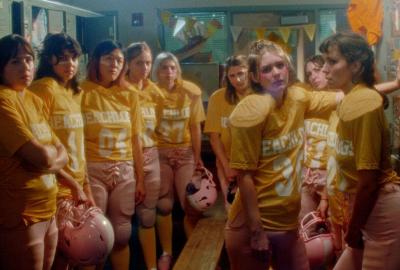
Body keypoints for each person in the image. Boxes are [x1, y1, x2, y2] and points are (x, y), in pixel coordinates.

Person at [225, 39, 342, 270]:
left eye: (280, 65)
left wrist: (395, 84)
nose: (276, 73)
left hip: (288, 224)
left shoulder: (298, 98)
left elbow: (343, 98)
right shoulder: (250, 110)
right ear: (256, 77)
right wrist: (257, 232)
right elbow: (244, 176)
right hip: (252, 227)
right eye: (266, 69)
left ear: (287, 67)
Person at [320, 32, 400, 270]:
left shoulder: (363, 104)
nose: (325, 69)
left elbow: (368, 181)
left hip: (382, 210)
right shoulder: (349, 100)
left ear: (355, 66)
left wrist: (354, 230)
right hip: (366, 209)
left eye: (332, 62)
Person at [0, 34, 68, 270]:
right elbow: (43, 156)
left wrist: (51, 159)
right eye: (15, 62)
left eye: (29, 60)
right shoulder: (3, 101)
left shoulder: (32, 99)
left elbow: (61, 152)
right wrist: (51, 158)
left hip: (49, 208)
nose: (25, 67)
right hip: (22, 214)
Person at [29, 32, 95, 269]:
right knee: (59, 256)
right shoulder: (42, 89)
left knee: (77, 254)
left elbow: (78, 144)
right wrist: (73, 184)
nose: (70, 64)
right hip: (56, 189)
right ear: (49, 60)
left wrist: (84, 183)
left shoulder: (73, 92)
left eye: (74, 58)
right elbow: (40, 148)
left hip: (76, 186)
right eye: (63, 58)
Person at [80, 40, 145, 270]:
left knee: (122, 233)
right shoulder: (80, 92)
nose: (114, 64)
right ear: (96, 60)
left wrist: (141, 177)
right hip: (93, 170)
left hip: (125, 170)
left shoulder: (130, 94)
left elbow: (137, 138)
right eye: (108, 58)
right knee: (94, 237)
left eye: (119, 60)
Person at [152, 52, 206, 267]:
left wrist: (198, 156)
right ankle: (166, 252)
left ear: (178, 70)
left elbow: (195, 127)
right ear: (156, 70)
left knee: (190, 204)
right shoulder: (150, 92)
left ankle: (194, 249)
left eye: (173, 67)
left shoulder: (191, 91)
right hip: (161, 152)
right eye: (164, 67)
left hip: (185, 153)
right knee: (164, 205)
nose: (169, 72)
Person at [125, 42, 168, 270]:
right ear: (128, 64)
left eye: (148, 63)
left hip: (150, 155)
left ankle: (151, 266)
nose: (144, 67)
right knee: (121, 225)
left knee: (148, 217)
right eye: (139, 63)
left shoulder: (155, 92)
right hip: (124, 158)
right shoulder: (120, 89)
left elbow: (158, 126)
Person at [204, 55, 251, 211]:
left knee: (255, 213)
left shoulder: (260, 96)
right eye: (232, 75)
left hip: (255, 165)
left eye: (241, 73)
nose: (237, 79)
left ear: (249, 72)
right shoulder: (218, 98)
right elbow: (214, 137)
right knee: (233, 211)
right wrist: (226, 167)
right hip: (228, 163)